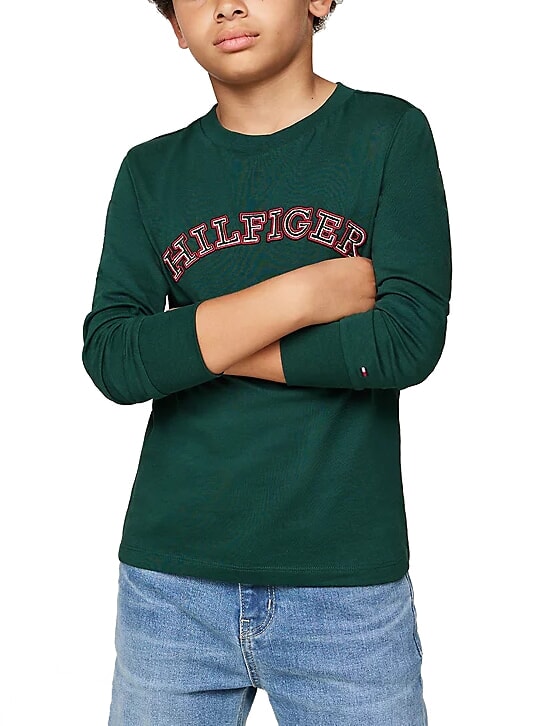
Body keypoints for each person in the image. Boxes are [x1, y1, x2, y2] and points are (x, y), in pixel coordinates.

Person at [82, 0, 452, 723]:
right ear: (176, 26)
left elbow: (403, 343)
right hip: (169, 587)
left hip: (347, 591)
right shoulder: (150, 171)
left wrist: (193, 345)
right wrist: (302, 294)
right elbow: (115, 359)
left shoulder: (388, 134)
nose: (227, 5)